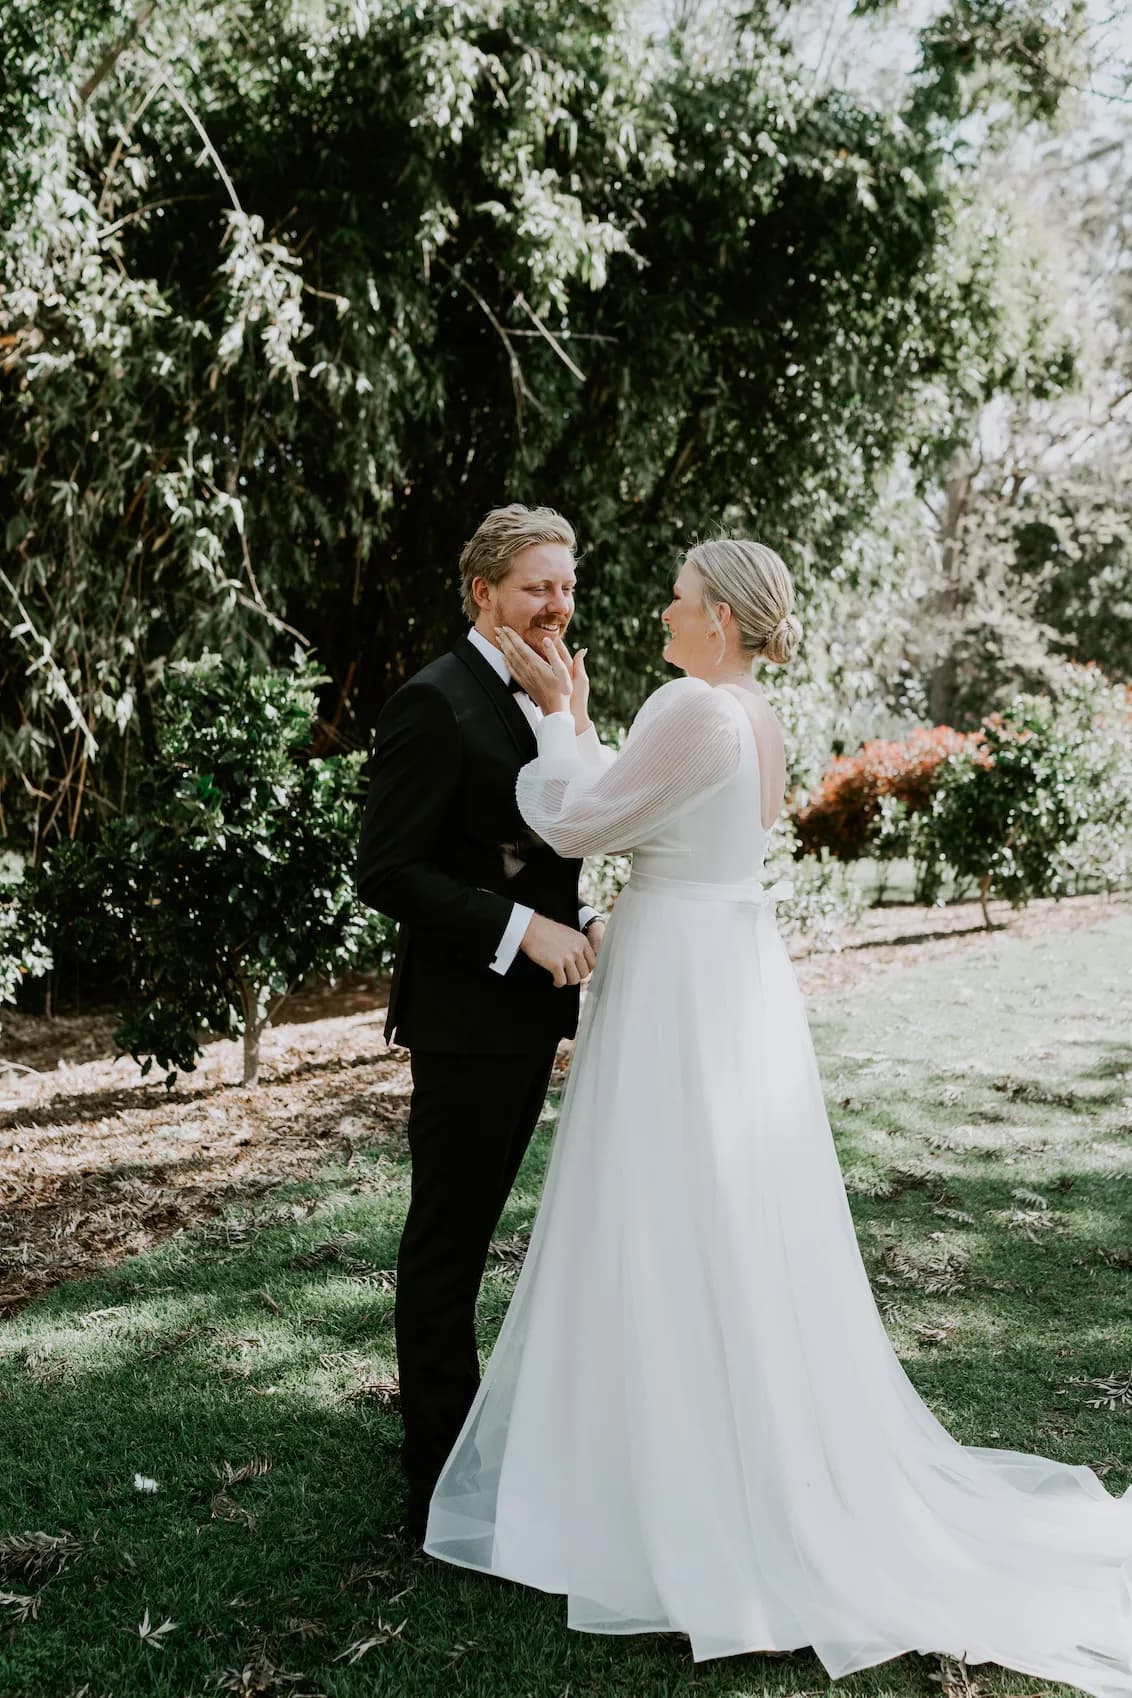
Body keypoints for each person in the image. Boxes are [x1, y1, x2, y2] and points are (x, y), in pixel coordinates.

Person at [425, 538, 1132, 1698]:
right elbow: (644, 808)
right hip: (718, 969)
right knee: (714, 1212)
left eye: (679, 595)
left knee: (661, 1210)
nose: (662, 606)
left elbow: (570, 822)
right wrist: (590, 737)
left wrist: (559, 718)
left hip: (678, 984)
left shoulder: (691, 705)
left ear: (719, 620)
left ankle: (663, 1482)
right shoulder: (747, 712)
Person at [356, 503, 607, 1543]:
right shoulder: (432, 701)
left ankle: (467, 1455)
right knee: (447, 1250)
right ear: (482, 595)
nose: (554, 606)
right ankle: (433, 1490)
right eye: (533, 588)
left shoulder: (547, 689)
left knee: (484, 1239)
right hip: (466, 1017)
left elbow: (547, 840)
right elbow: (387, 871)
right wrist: (524, 931)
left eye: (564, 586)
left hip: (528, 1015)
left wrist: (581, 914)